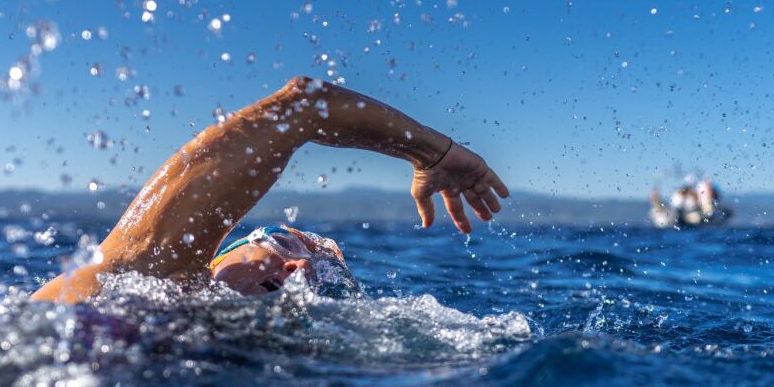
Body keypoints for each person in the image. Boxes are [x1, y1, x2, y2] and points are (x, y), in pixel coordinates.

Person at [32, 76, 510, 303]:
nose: (301, 265)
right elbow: (301, 105)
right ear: (219, 254)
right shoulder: (140, 272)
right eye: (280, 242)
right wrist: (434, 153)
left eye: (321, 276)